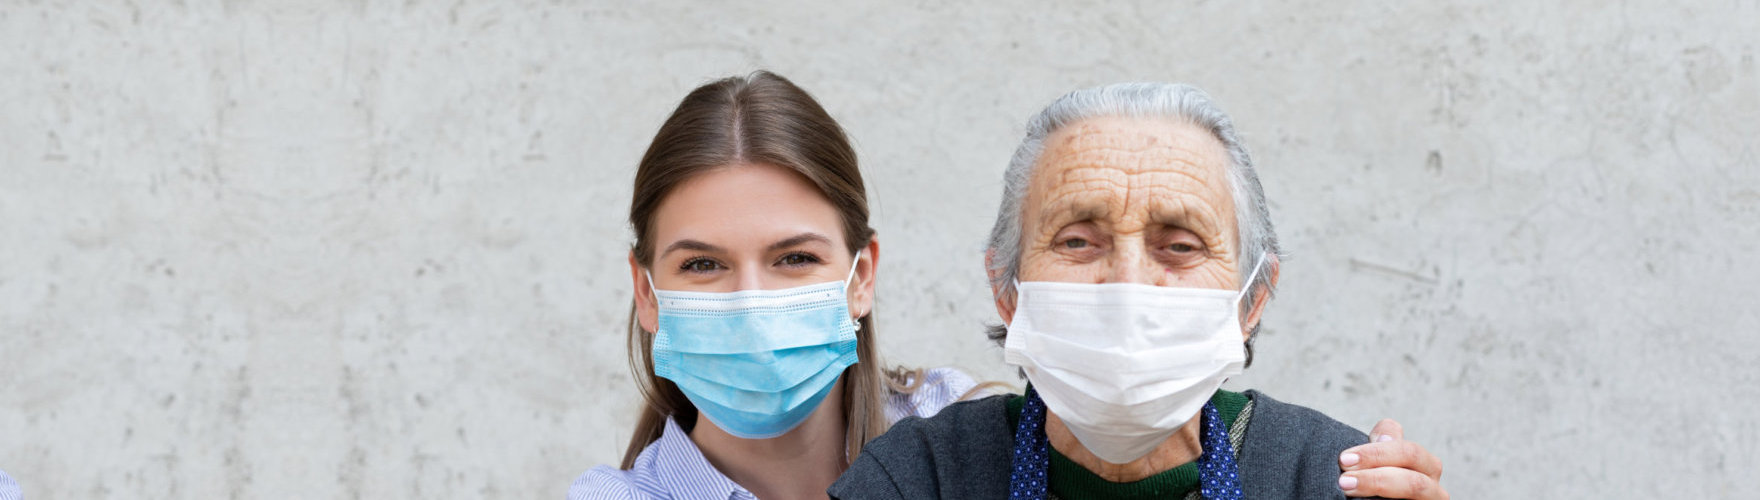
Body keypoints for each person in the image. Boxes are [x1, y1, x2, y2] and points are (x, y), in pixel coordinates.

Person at [829, 83, 1449, 499]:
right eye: (1077, 241)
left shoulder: (1325, 478)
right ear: (1006, 289)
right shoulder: (919, 479)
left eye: (1179, 246)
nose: (1127, 283)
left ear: (1252, 299)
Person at [566, 71, 984, 500]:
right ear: (646, 293)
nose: (752, 307)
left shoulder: (962, 427)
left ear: (861, 278)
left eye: (795, 258)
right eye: (703, 264)